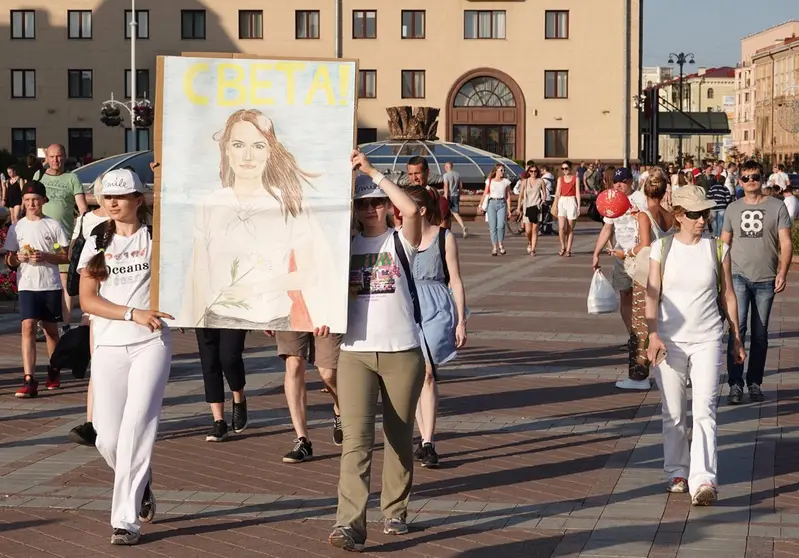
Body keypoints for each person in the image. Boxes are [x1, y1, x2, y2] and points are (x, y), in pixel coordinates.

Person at [328, 150, 424, 552]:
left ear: (386, 206)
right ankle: (349, 524)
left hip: (402, 351)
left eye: (376, 202)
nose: (369, 208)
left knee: (399, 436)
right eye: (362, 203)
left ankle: (395, 510)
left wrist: (371, 174)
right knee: (356, 440)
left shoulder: (401, 239)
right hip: (355, 352)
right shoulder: (343, 245)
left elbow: (413, 210)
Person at [77, 168, 173, 545]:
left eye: (122, 196)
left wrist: (164, 175)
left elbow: (181, 210)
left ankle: (125, 521)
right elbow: (88, 300)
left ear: (139, 199)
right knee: (106, 438)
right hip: (109, 344)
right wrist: (132, 313)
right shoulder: (95, 239)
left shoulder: (156, 237)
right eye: (107, 198)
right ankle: (140, 483)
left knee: (136, 428)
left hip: (152, 343)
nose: (113, 203)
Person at [179, 109, 340, 331]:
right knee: (220, 363)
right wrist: (190, 317)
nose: (247, 156)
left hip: (274, 320)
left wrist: (256, 288)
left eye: (258, 146)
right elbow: (199, 270)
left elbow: (309, 273)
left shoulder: (289, 203)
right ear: (226, 149)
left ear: (270, 151)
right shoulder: (210, 203)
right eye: (238, 145)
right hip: (218, 317)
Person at [646, 185, 745, 506]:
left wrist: (736, 337)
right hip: (669, 341)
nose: (702, 219)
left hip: (708, 339)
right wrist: (651, 333)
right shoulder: (661, 250)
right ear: (678, 216)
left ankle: (703, 480)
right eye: (694, 214)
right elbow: (651, 294)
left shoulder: (717, 249)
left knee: (705, 411)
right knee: (674, 413)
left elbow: (728, 294)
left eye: (705, 213)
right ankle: (677, 471)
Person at [403, 186, 467, 469]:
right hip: (407, 307)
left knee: (427, 372)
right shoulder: (400, 237)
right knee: (417, 374)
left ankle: (428, 442)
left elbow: (455, 279)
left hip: (437, 307)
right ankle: (422, 437)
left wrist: (461, 319)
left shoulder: (445, 237)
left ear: (422, 210)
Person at [721, 160, 793, 405]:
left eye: (755, 176)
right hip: (738, 277)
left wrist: (782, 272)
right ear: (739, 181)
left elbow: (785, 243)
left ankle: (754, 382)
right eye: (746, 177)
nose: (751, 181)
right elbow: (724, 244)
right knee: (736, 331)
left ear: (763, 179)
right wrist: (722, 276)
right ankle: (735, 384)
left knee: (760, 334)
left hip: (766, 279)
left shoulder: (777, 206)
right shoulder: (732, 208)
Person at [4, 181, 69, 397]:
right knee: (28, 327)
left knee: (51, 331)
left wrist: (47, 256)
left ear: (43, 201)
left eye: (36, 200)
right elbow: (9, 260)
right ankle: (29, 378)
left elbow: (64, 255)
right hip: (27, 285)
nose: (32, 204)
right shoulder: (17, 227)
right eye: (28, 200)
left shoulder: (53, 225)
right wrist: (17, 258)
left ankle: (54, 369)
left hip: (49, 284)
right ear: (23, 202)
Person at [591, 168, 648, 389]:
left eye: (622, 182)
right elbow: (607, 228)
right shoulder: (611, 202)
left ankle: (644, 337)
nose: (618, 186)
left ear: (630, 182)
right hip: (620, 257)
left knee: (643, 301)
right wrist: (596, 253)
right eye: (615, 182)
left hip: (640, 257)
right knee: (625, 297)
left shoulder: (640, 200)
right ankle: (633, 335)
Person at [68, 174, 111, 446]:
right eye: (107, 194)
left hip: (130, 312)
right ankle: (92, 423)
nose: (113, 201)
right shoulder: (89, 221)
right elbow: (79, 259)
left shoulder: (142, 229)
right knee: (99, 366)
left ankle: (112, 420)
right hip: (98, 307)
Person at [38, 144, 89, 334]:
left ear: (64, 157)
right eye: (52, 157)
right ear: (47, 157)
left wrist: (83, 228)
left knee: (65, 281)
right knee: (40, 278)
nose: (55, 160)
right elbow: (29, 201)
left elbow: (82, 206)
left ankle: (65, 324)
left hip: (63, 238)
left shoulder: (72, 178)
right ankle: (41, 322)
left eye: (59, 156)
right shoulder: (39, 177)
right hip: (40, 236)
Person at [272, 329, 343, 461]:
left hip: (325, 311)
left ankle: (340, 408)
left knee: (328, 374)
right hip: (291, 311)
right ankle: (303, 440)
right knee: (294, 363)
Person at [196, 327, 249, 442]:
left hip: (234, 313)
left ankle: (239, 398)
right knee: (209, 361)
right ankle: (219, 421)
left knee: (230, 358)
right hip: (203, 313)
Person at [477, 164, 512, 256]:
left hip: (502, 203)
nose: (503, 172)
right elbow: (485, 194)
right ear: (496, 171)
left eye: (504, 170)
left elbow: (508, 196)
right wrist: (480, 205)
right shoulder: (489, 181)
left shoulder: (506, 182)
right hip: (491, 204)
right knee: (493, 227)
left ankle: (501, 244)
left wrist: (509, 209)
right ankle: (494, 247)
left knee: (501, 226)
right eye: (501, 170)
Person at [515, 165, 546, 256]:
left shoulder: (540, 181)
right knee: (528, 230)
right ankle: (529, 242)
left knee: (535, 229)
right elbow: (520, 195)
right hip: (527, 207)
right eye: (531, 171)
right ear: (528, 172)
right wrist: (518, 207)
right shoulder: (525, 182)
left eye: (535, 171)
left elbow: (544, 193)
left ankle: (533, 249)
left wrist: (543, 200)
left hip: (537, 207)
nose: (533, 173)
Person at [554, 161, 581, 256]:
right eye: (563, 169)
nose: (564, 170)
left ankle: (568, 249)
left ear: (570, 168)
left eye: (566, 168)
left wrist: (578, 206)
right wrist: (556, 205)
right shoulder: (560, 179)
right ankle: (562, 246)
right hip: (562, 201)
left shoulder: (575, 179)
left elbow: (577, 192)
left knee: (570, 227)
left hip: (571, 200)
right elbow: (557, 193)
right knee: (561, 227)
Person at [442, 162, 468, 238]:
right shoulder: (457, 174)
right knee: (455, 213)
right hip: (455, 195)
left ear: (446, 167)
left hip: (449, 195)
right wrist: (459, 194)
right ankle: (463, 226)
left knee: (446, 213)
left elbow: (446, 186)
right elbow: (460, 186)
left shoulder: (446, 175)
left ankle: (446, 230)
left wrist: (445, 197)